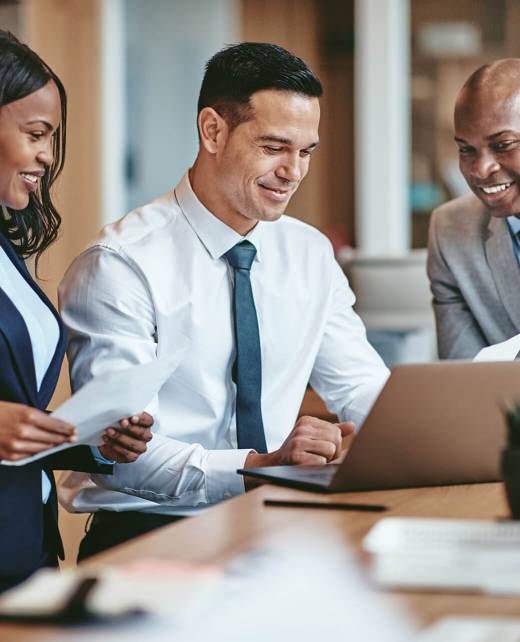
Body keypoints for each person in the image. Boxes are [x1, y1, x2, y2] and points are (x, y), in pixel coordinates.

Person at [59, 42, 389, 560]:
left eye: (305, 152)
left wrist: (421, 437)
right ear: (213, 130)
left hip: (280, 528)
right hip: (150, 539)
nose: (294, 172)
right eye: (274, 147)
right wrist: (263, 465)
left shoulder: (309, 253)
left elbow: (360, 385)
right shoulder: (120, 263)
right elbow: (123, 456)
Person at [0, 30, 153, 592]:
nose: (47, 154)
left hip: (26, 547)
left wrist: (88, 436)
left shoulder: (5, 246)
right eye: (36, 133)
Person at [428, 59, 520, 359]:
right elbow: (463, 376)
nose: (481, 170)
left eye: (503, 144)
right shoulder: (450, 230)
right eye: (466, 149)